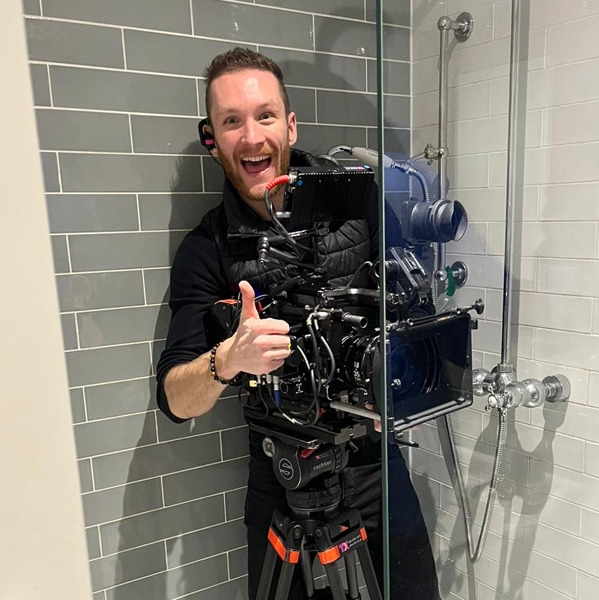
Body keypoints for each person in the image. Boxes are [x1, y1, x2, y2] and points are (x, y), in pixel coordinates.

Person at [156, 47, 439, 599]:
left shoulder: (358, 199)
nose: (251, 137)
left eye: (264, 116)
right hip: (283, 476)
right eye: (231, 121)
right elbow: (174, 400)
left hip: (375, 461)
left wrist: (399, 374)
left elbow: (413, 308)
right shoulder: (206, 248)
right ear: (212, 138)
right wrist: (227, 359)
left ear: (289, 125)